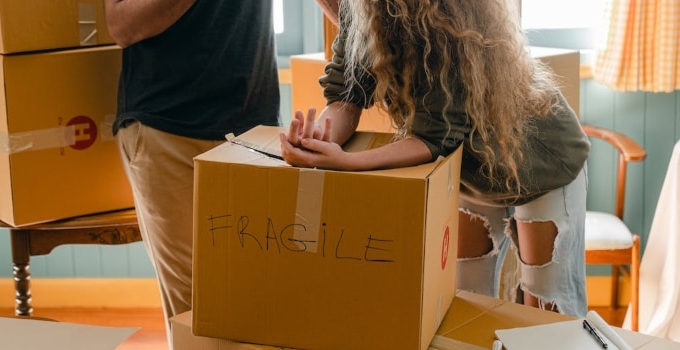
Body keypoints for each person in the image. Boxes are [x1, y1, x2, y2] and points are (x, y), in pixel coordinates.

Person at [286, 0, 590, 317]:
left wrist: (347, 162)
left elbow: (433, 138)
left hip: (541, 163)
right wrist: (318, 137)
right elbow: (347, 98)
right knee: (465, 300)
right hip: (472, 170)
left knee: (547, 309)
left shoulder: (440, 17)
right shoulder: (363, 9)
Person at [104, 1, 280, 345]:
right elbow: (121, 27)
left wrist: (376, 38)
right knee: (196, 313)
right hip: (167, 128)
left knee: (260, 302)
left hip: (254, 129)